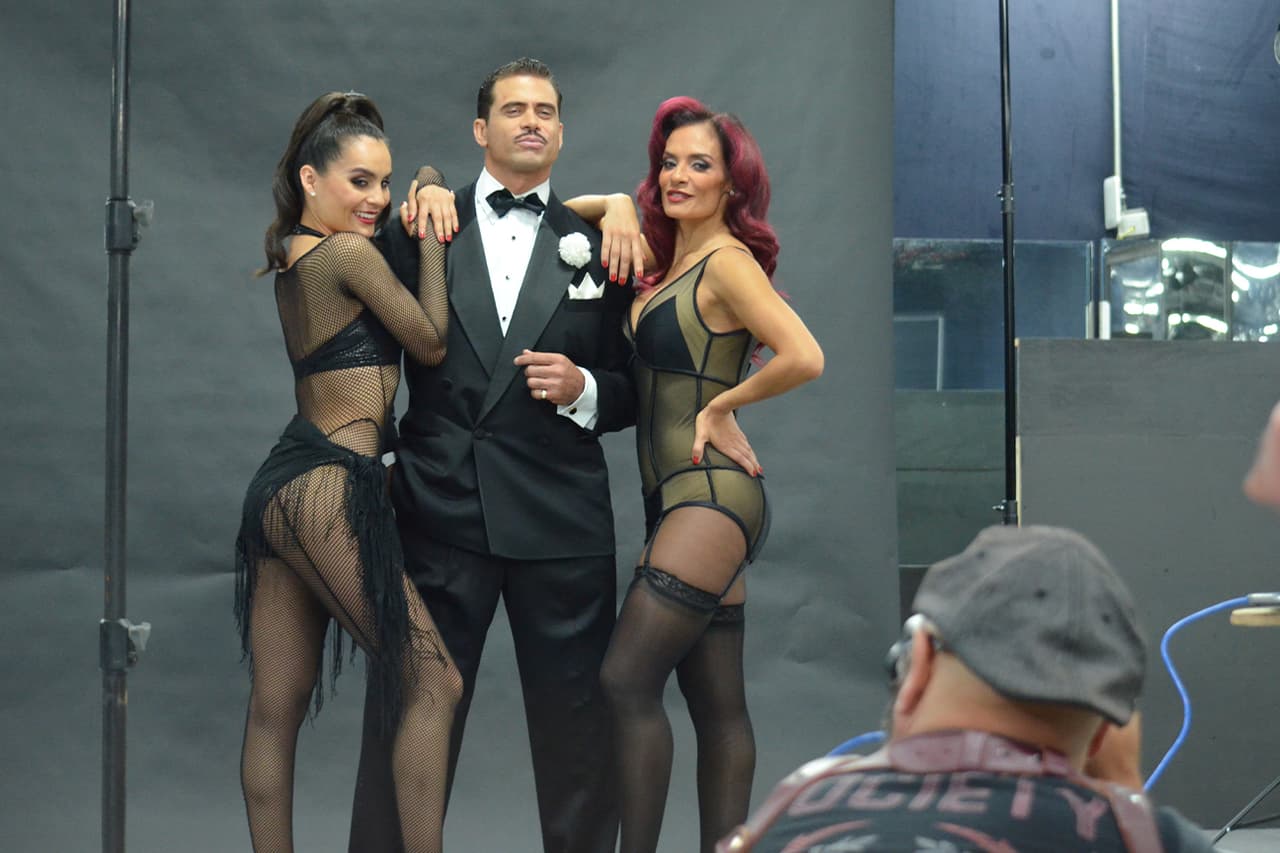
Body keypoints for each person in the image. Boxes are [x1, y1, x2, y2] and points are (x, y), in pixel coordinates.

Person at [349, 59, 637, 853]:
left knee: (580, 738)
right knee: (408, 719)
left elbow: (634, 388)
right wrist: (383, 470)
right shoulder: (423, 226)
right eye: (514, 109)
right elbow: (365, 357)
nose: (531, 120)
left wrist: (584, 387)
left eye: (545, 110)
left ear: (561, 132)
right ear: (482, 129)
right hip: (439, 512)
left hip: (563, 520)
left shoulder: (599, 243)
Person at [569, 96, 824, 853]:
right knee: (718, 709)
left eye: (699, 164)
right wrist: (617, 203)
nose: (678, 176)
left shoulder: (727, 263)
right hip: (681, 498)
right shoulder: (667, 260)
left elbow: (805, 355)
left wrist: (723, 405)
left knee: (625, 681)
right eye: (668, 163)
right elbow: (556, 216)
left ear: (731, 184)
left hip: (710, 496)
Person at [234, 92, 462, 853]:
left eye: (387, 183)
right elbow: (429, 340)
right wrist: (432, 221)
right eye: (360, 181)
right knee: (433, 682)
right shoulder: (346, 256)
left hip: (284, 484)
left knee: (275, 711)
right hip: (331, 482)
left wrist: (423, 181)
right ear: (311, 178)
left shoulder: (294, 259)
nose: (379, 199)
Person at [717, 525, 1216, 852]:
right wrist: (1125, 799)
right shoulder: (1149, 839)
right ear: (1105, 733)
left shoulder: (787, 814)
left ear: (916, 663)